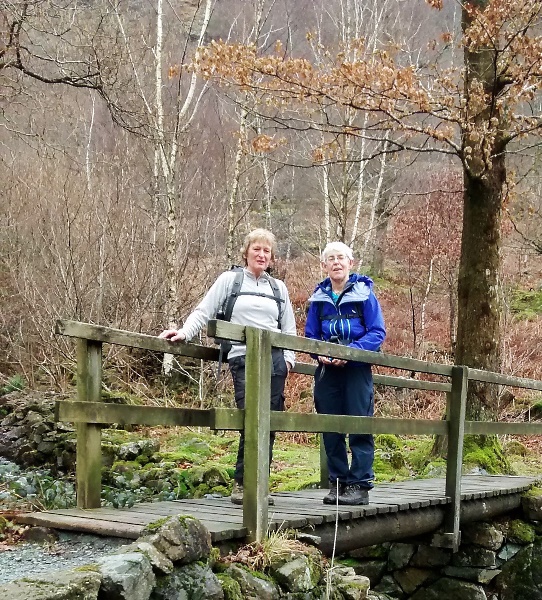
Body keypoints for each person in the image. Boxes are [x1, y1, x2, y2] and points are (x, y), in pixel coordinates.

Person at [159, 229, 296, 505]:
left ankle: (260, 485)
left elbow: (288, 328)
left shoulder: (278, 288)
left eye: (266, 251)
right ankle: (243, 485)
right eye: (256, 249)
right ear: (246, 252)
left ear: (271, 257)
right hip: (244, 358)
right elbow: (204, 310)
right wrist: (184, 332)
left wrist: (289, 359)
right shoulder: (229, 280)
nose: (261, 254)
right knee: (249, 418)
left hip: (275, 361)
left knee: (269, 423)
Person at [305, 241, 386, 506]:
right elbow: (311, 335)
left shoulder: (364, 294)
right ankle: (338, 482)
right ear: (324, 265)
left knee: (359, 424)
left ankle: (359, 485)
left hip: (357, 369)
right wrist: (321, 354)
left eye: (341, 258)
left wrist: (349, 353)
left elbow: (377, 332)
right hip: (327, 372)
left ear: (351, 263)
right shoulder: (318, 298)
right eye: (331, 258)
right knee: (330, 426)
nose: (336, 262)